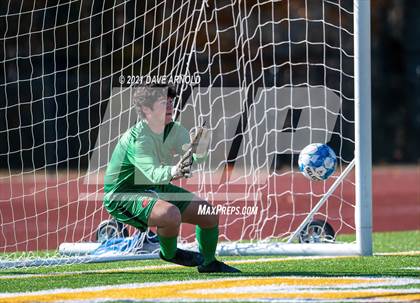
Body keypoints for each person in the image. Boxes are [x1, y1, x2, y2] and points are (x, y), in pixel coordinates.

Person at [103, 85, 240, 273]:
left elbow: (197, 158)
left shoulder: (174, 129)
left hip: (155, 187)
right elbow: (152, 172)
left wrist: (201, 148)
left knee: (207, 213)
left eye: (170, 101)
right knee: (171, 214)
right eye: (162, 103)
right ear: (146, 109)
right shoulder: (139, 137)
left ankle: (209, 263)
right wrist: (175, 170)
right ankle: (169, 253)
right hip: (124, 195)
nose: (169, 106)